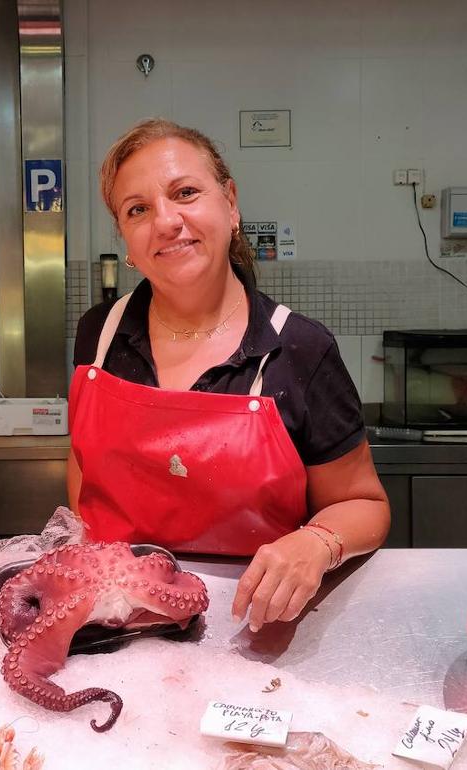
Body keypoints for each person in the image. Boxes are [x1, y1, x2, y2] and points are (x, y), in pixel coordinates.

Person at [68, 118, 390, 633]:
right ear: (126, 240)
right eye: (138, 209)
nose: (167, 221)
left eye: (186, 193)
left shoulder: (300, 349)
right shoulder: (99, 335)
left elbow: (363, 505)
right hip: (117, 620)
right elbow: (85, 467)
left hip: (256, 625)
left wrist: (316, 543)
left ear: (231, 203)